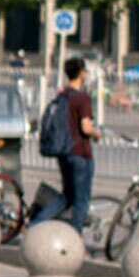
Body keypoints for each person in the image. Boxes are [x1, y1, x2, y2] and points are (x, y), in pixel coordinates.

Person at [34, 57, 101, 232]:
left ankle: (35, 224)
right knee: (81, 201)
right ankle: (75, 237)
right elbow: (86, 128)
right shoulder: (82, 98)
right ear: (81, 74)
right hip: (81, 154)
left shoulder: (62, 95)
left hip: (64, 153)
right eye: (85, 71)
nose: (86, 74)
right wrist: (96, 133)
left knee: (67, 197)